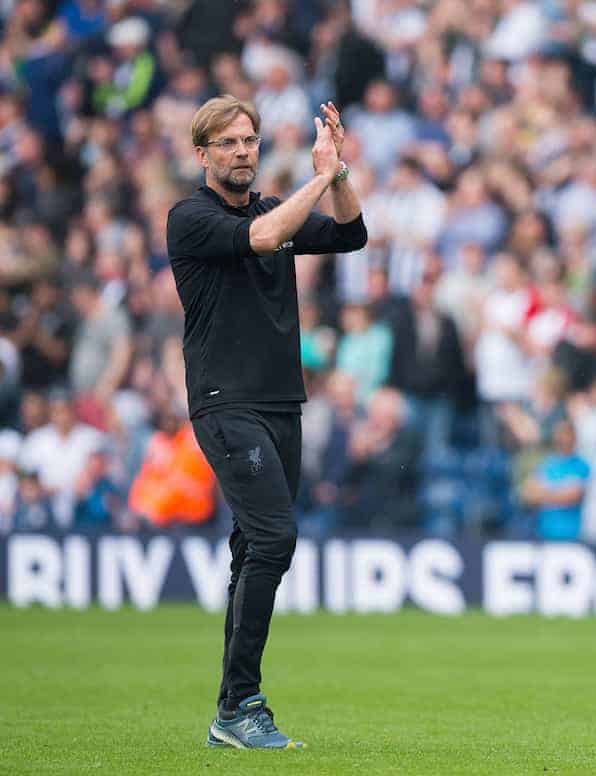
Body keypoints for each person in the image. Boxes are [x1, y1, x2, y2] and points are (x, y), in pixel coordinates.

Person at [166, 95, 367, 749]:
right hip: (227, 402)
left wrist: (336, 173)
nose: (243, 151)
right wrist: (315, 176)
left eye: (250, 140)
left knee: (255, 548)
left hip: (282, 401)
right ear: (202, 154)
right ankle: (240, 703)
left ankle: (231, 711)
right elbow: (265, 237)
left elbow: (349, 231)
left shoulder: (270, 208)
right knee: (276, 539)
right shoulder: (191, 218)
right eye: (228, 143)